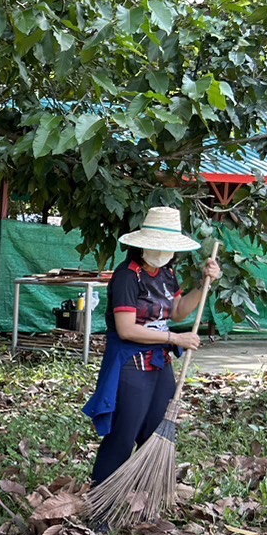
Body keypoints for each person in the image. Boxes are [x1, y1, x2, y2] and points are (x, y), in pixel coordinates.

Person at [83, 205, 220, 485]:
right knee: (124, 432)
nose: (161, 253)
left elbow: (178, 311)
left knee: (158, 429)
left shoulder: (168, 274)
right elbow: (126, 329)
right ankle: (102, 500)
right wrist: (174, 338)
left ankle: (146, 495)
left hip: (159, 364)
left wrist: (205, 284)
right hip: (131, 366)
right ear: (141, 244)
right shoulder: (127, 276)